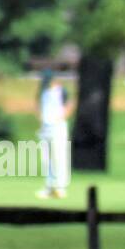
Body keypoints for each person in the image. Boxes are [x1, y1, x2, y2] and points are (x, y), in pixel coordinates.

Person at [36, 69, 72, 199]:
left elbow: (68, 105)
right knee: (46, 158)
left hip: (58, 127)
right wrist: (42, 122)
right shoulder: (42, 92)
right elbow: (39, 107)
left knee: (60, 156)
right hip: (45, 127)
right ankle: (49, 186)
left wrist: (60, 118)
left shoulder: (61, 91)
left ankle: (60, 187)